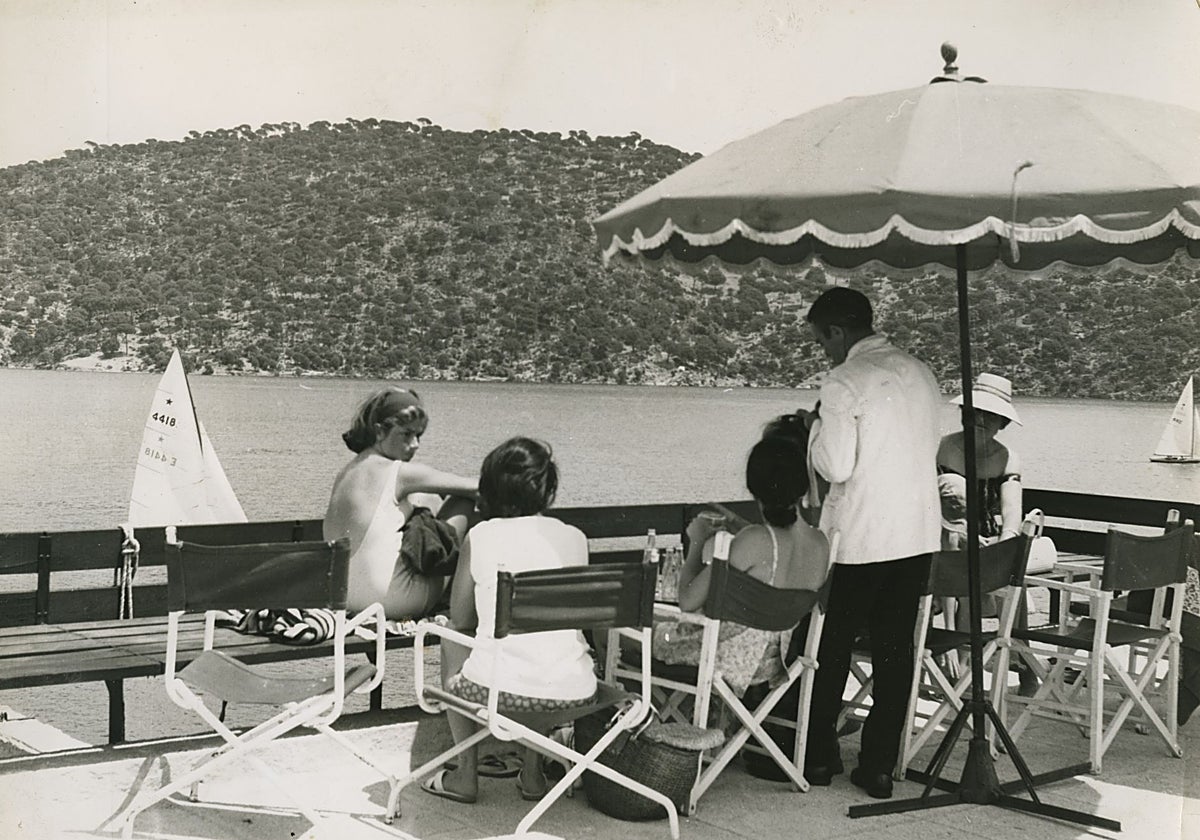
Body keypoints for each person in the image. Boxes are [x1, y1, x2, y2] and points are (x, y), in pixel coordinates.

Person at [797, 286, 942, 800]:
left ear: (838, 331)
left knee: (829, 648)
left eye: (822, 341)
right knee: (896, 651)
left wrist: (814, 429)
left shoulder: (844, 380)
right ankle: (879, 764)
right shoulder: (921, 373)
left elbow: (836, 466)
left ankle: (816, 757)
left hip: (860, 535)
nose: (824, 352)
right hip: (917, 533)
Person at [423, 437, 597, 805]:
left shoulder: (482, 534)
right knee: (547, 644)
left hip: (501, 694)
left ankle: (464, 775)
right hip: (576, 695)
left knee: (452, 636)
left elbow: (460, 617)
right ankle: (532, 775)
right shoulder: (575, 538)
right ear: (547, 490)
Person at [652, 434, 831, 703]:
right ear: (802, 486)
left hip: (718, 663)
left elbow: (687, 601)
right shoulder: (820, 544)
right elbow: (776, 550)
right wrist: (738, 524)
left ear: (754, 487)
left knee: (613, 634)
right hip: (769, 665)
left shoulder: (753, 542)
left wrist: (698, 541)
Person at [323, 387, 478, 619]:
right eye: (406, 435)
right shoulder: (400, 473)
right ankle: (461, 603)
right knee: (463, 501)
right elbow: (479, 487)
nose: (415, 444)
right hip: (393, 601)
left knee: (425, 500)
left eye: (418, 436)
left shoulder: (349, 471)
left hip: (341, 600)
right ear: (379, 432)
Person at [935, 373, 1038, 695]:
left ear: (1002, 422)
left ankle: (1021, 664)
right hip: (945, 537)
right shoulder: (944, 449)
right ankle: (961, 656)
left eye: (989, 415)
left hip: (989, 543)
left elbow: (1011, 514)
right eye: (974, 413)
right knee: (966, 572)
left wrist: (1002, 543)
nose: (980, 420)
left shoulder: (1007, 458)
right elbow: (932, 503)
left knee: (1005, 569)